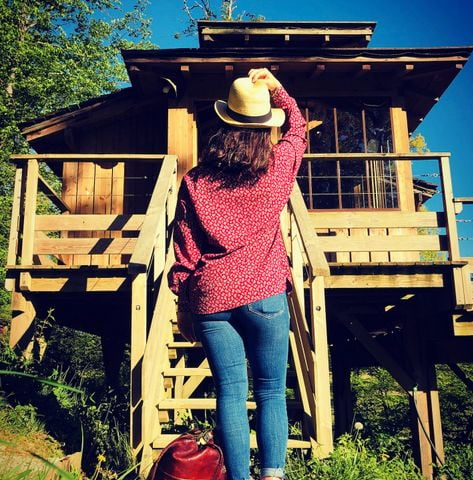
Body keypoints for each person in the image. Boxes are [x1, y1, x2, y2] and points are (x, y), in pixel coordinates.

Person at [168, 68, 307, 480]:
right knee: (269, 391)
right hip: (264, 294)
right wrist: (277, 87)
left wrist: (183, 303)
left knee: (229, 392)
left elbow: (185, 249)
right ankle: (272, 475)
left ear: (225, 122)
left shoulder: (195, 181)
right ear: (266, 129)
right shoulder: (278, 168)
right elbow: (297, 127)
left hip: (211, 298)